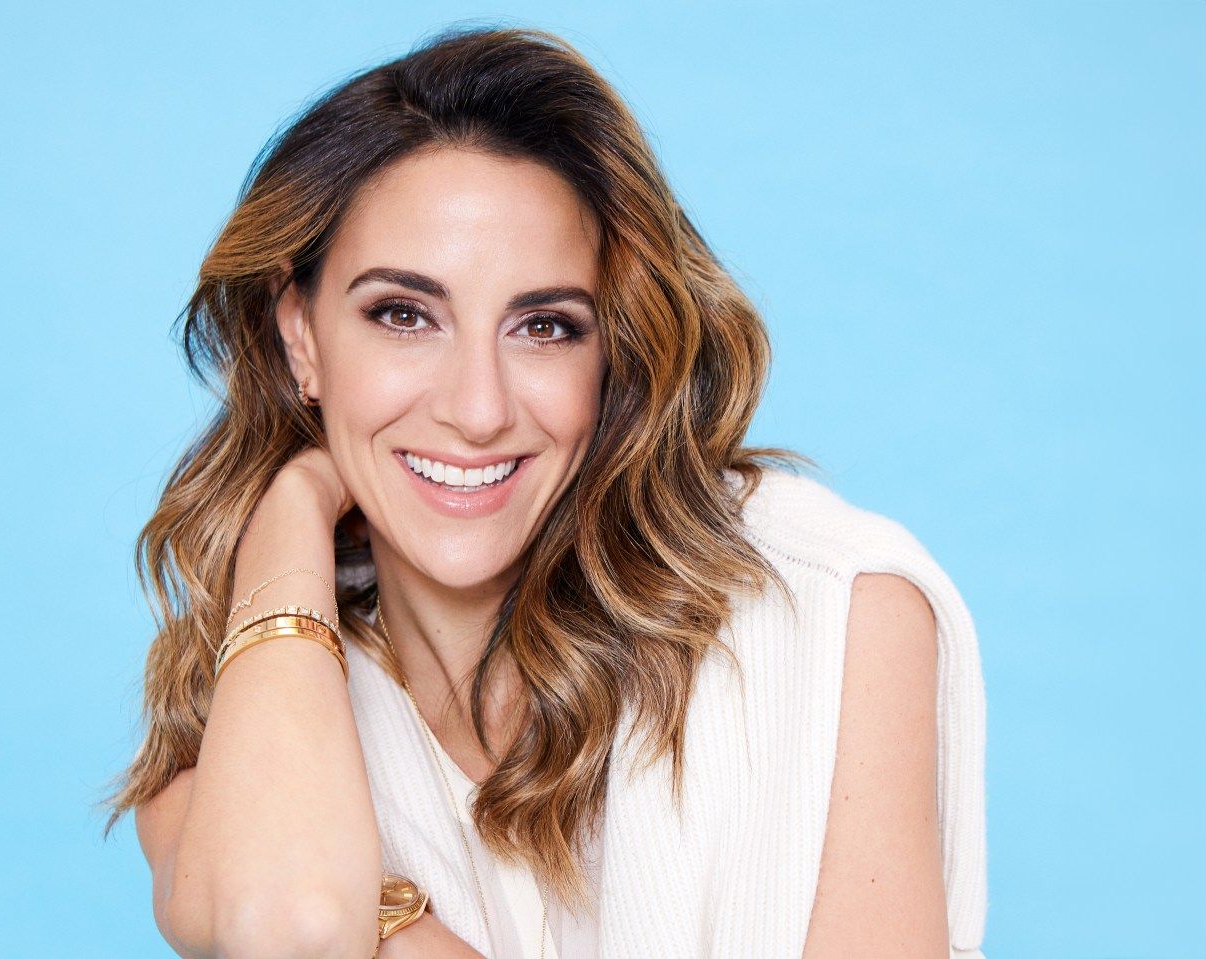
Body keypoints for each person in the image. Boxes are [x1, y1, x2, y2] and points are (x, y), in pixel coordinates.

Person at [99, 24, 989, 959]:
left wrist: (398, 940)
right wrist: (293, 507)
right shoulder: (265, 697)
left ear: (614, 350)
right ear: (301, 336)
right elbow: (292, 930)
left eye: (546, 326)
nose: (478, 410)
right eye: (403, 315)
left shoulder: (835, 607)